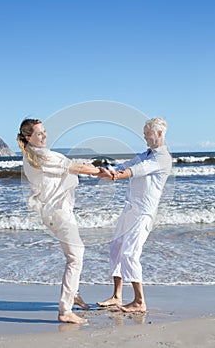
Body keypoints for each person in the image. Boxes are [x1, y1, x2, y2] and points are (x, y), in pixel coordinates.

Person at [17, 118, 101, 324]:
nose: (44, 136)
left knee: (72, 253)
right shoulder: (44, 156)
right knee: (76, 256)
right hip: (59, 215)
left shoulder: (30, 157)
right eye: (39, 133)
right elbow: (78, 168)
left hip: (53, 214)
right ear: (29, 137)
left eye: (44, 132)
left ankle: (74, 294)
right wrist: (111, 172)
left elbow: (71, 168)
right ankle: (65, 310)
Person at [97, 118, 172, 313]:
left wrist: (115, 176)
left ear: (160, 134)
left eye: (148, 132)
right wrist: (105, 170)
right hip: (130, 209)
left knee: (130, 253)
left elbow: (137, 171)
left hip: (144, 212)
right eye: (145, 132)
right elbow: (127, 165)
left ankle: (139, 301)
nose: (145, 136)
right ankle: (117, 296)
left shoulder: (162, 158)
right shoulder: (145, 154)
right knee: (116, 249)